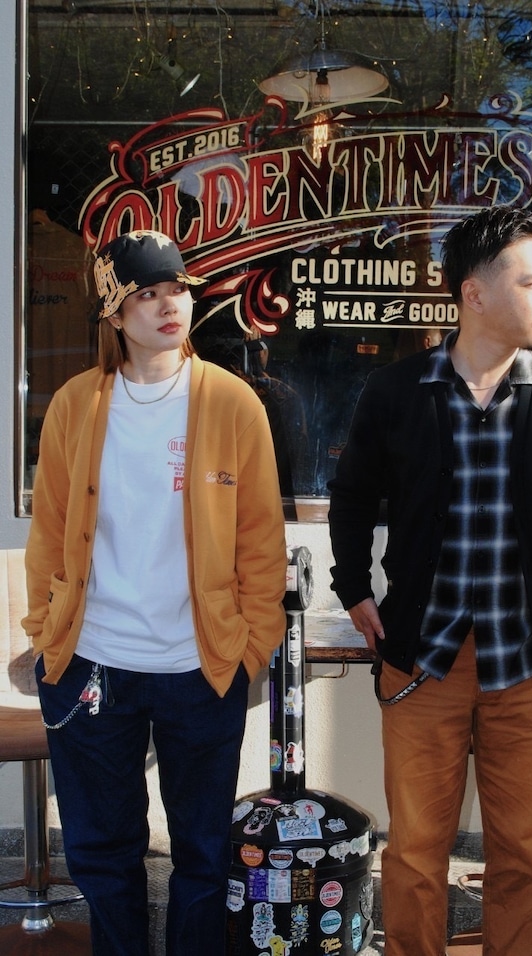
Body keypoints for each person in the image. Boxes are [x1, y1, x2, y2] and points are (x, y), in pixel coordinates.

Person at [327, 205, 532, 956]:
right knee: (415, 851)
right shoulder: (397, 392)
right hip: (422, 659)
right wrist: (353, 588)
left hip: (526, 663)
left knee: (527, 855)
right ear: (474, 293)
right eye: (531, 283)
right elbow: (353, 496)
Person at [22, 230, 288, 956]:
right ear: (114, 313)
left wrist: (251, 645)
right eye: (147, 293)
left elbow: (261, 540)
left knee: (202, 853)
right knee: (102, 853)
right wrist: (47, 632)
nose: (170, 305)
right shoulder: (77, 404)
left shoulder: (232, 402)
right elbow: (49, 531)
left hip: (198, 667)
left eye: (177, 289)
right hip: (92, 663)